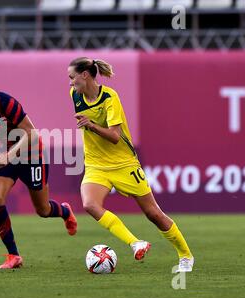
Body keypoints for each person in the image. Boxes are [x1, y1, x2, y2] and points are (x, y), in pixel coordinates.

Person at [68, 57, 194, 272]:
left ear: (85, 75)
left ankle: (186, 255)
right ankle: (135, 243)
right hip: (96, 165)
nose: (70, 83)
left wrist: (91, 125)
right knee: (90, 205)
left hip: (124, 164)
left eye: (72, 77)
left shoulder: (110, 97)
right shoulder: (75, 95)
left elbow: (115, 136)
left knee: (153, 213)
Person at [0, 72, 77, 269]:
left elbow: (32, 133)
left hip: (32, 155)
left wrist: (9, 155)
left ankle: (65, 211)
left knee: (43, 210)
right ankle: (13, 256)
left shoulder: (7, 103)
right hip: (6, 156)